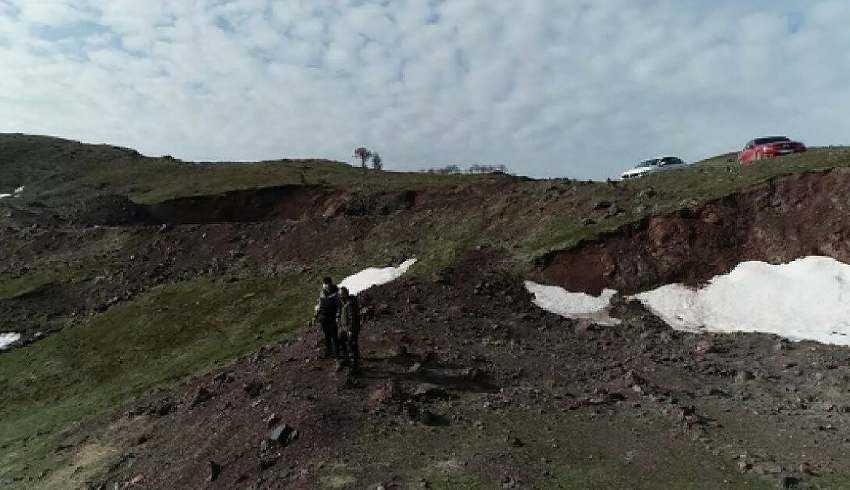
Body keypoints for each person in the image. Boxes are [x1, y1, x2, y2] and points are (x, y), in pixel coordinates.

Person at [314, 277, 340, 359]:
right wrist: (316, 315)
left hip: (332, 317)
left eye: (327, 284)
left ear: (330, 284)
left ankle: (336, 353)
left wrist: (337, 316)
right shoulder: (322, 292)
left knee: (334, 335)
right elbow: (320, 305)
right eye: (325, 284)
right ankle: (329, 351)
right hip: (324, 317)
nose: (326, 286)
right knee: (327, 335)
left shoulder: (336, 292)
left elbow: (338, 305)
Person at [337, 286, 361, 373]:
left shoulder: (351, 303)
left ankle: (355, 365)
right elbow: (340, 314)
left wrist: (350, 330)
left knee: (352, 346)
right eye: (340, 295)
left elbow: (353, 318)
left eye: (342, 295)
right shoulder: (343, 303)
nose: (340, 296)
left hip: (351, 329)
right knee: (340, 341)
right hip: (343, 328)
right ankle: (346, 359)